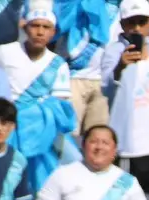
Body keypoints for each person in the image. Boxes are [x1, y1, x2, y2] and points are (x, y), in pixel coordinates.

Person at [0, 1, 77, 192]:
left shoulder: (59, 64)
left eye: (45, 27)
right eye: (35, 25)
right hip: (6, 130)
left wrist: (31, 116)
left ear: (53, 32)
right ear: (25, 26)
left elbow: (59, 107)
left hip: (41, 136)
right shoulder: (3, 53)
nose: (40, 32)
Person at [101, 0, 149, 198]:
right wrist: (120, 67)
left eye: (142, 22)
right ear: (122, 24)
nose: (136, 28)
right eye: (130, 23)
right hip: (130, 147)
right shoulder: (114, 51)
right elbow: (106, 88)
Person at [53, 0, 120, 135]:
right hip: (72, 78)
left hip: (104, 83)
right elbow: (56, 27)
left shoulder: (126, 7)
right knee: (66, 136)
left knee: (98, 138)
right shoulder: (78, 3)